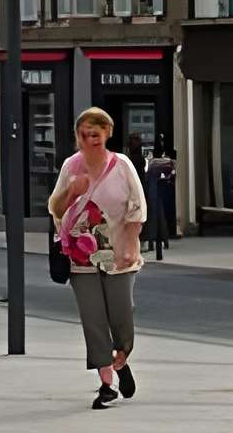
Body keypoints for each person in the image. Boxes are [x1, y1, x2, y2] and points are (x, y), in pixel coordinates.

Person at [48, 107, 147, 407]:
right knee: (93, 318)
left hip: (118, 254)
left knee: (121, 314)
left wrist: (130, 245)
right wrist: (71, 191)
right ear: (77, 137)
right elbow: (55, 209)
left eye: (96, 134)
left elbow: (137, 207)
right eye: (85, 134)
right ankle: (106, 381)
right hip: (80, 255)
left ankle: (121, 357)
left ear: (107, 135)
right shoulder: (71, 166)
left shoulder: (122, 165)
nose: (91, 139)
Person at [142, 145, 180, 261]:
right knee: (162, 221)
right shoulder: (168, 162)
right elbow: (172, 174)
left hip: (153, 194)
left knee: (152, 220)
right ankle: (164, 243)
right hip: (163, 195)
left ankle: (151, 244)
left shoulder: (152, 163)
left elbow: (147, 176)